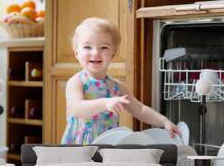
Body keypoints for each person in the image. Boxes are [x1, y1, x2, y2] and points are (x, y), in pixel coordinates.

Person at [61, 17, 180, 145]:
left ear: (113, 53)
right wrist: (106, 103)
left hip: (108, 144)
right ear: (76, 53)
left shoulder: (117, 87)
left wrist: (164, 121)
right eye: (87, 47)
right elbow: (76, 108)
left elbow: (139, 109)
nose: (95, 53)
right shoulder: (77, 82)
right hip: (80, 146)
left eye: (104, 47)